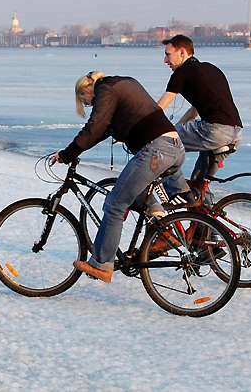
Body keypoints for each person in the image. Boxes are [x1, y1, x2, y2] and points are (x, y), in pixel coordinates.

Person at [52, 71, 187, 283]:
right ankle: (164, 230)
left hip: (156, 150)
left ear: (86, 90)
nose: (89, 106)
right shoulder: (122, 83)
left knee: (115, 204)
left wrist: (68, 154)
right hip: (174, 147)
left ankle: (102, 265)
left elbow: (94, 126)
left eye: (86, 103)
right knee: (136, 191)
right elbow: (103, 129)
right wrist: (72, 152)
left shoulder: (105, 89)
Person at [156, 35, 243, 209]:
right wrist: (174, 129)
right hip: (236, 133)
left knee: (160, 145)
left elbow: (158, 109)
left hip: (215, 130)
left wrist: (140, 128)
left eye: (168, 55)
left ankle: (178, 192)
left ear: (182, 52)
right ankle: (206, 229)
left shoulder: (182, 73)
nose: (165, 60)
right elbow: (195, 110)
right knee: (198, 185)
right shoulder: (210, 69)